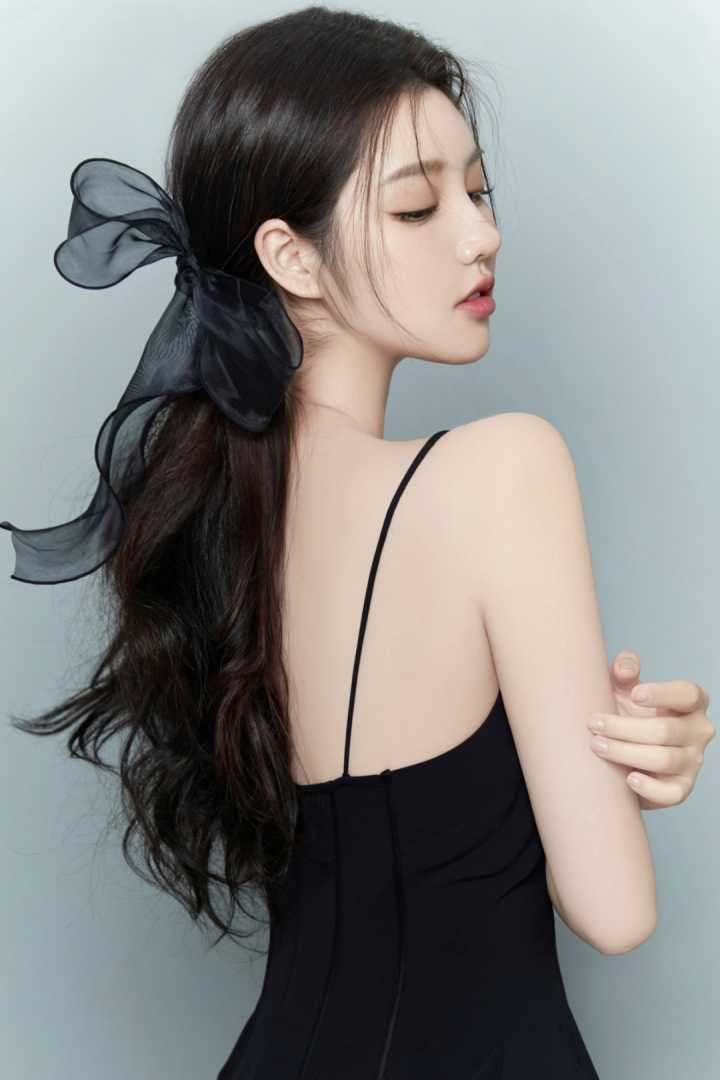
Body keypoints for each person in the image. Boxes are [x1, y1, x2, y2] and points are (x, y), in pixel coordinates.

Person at [2, 7, 713, 1078]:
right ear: (288, 255)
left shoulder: (221, 521)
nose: (480, 234)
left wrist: (593, 747)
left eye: (478, 191)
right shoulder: (503, 469)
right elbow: (614, 912)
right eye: (419, 205)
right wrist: (617, 775)